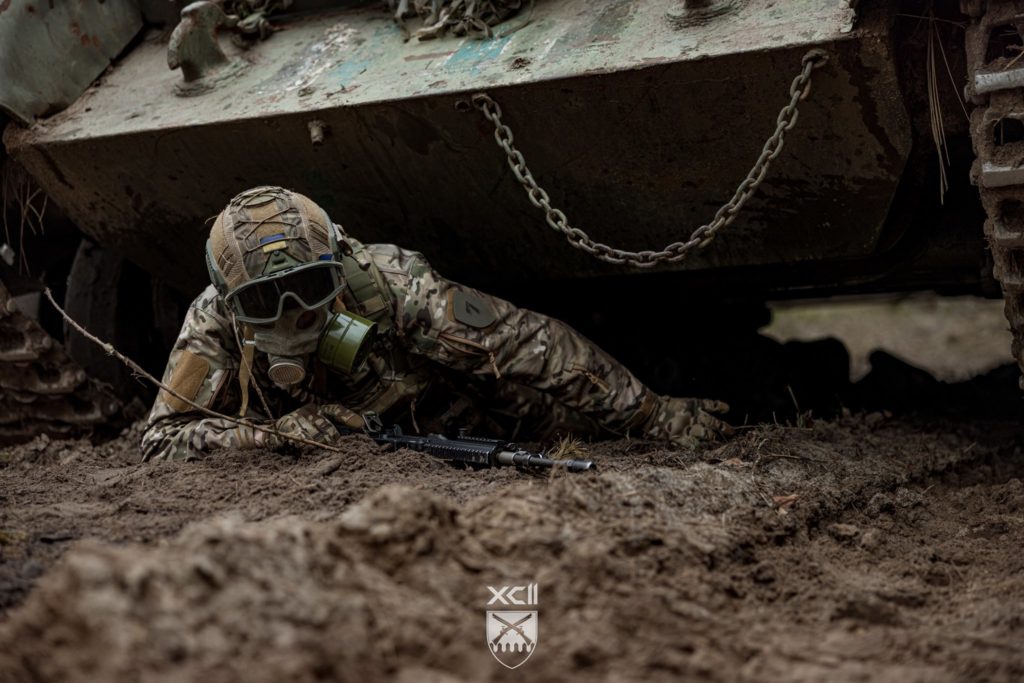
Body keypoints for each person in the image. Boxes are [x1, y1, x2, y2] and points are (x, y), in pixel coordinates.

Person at [141, 186, 732, 461]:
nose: (292, 313)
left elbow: (533, 343)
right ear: (230, 302)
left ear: (338, 270)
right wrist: (269, 437)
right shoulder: (212, 324)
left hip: (467, 421)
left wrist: (653, 415)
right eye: (263, 300)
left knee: (561, 427)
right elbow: (161, 441)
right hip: (357, 453)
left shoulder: (394, 288)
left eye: (310, 286)